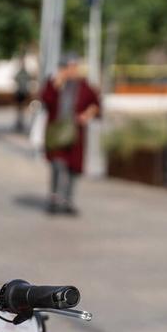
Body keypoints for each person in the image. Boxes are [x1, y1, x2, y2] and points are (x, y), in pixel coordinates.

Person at [39, 53, 100, 215]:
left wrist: (88, 114)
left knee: (73, 169)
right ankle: (54, 200)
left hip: (75, 135)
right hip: (56, 134)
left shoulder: (84, 86)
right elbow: (45, 101)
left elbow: (95, 103)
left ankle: (68, 201)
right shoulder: (54, 83)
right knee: (58, 166)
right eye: (70, 67)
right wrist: (57, 84)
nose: (73, 70)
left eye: (75, 67)